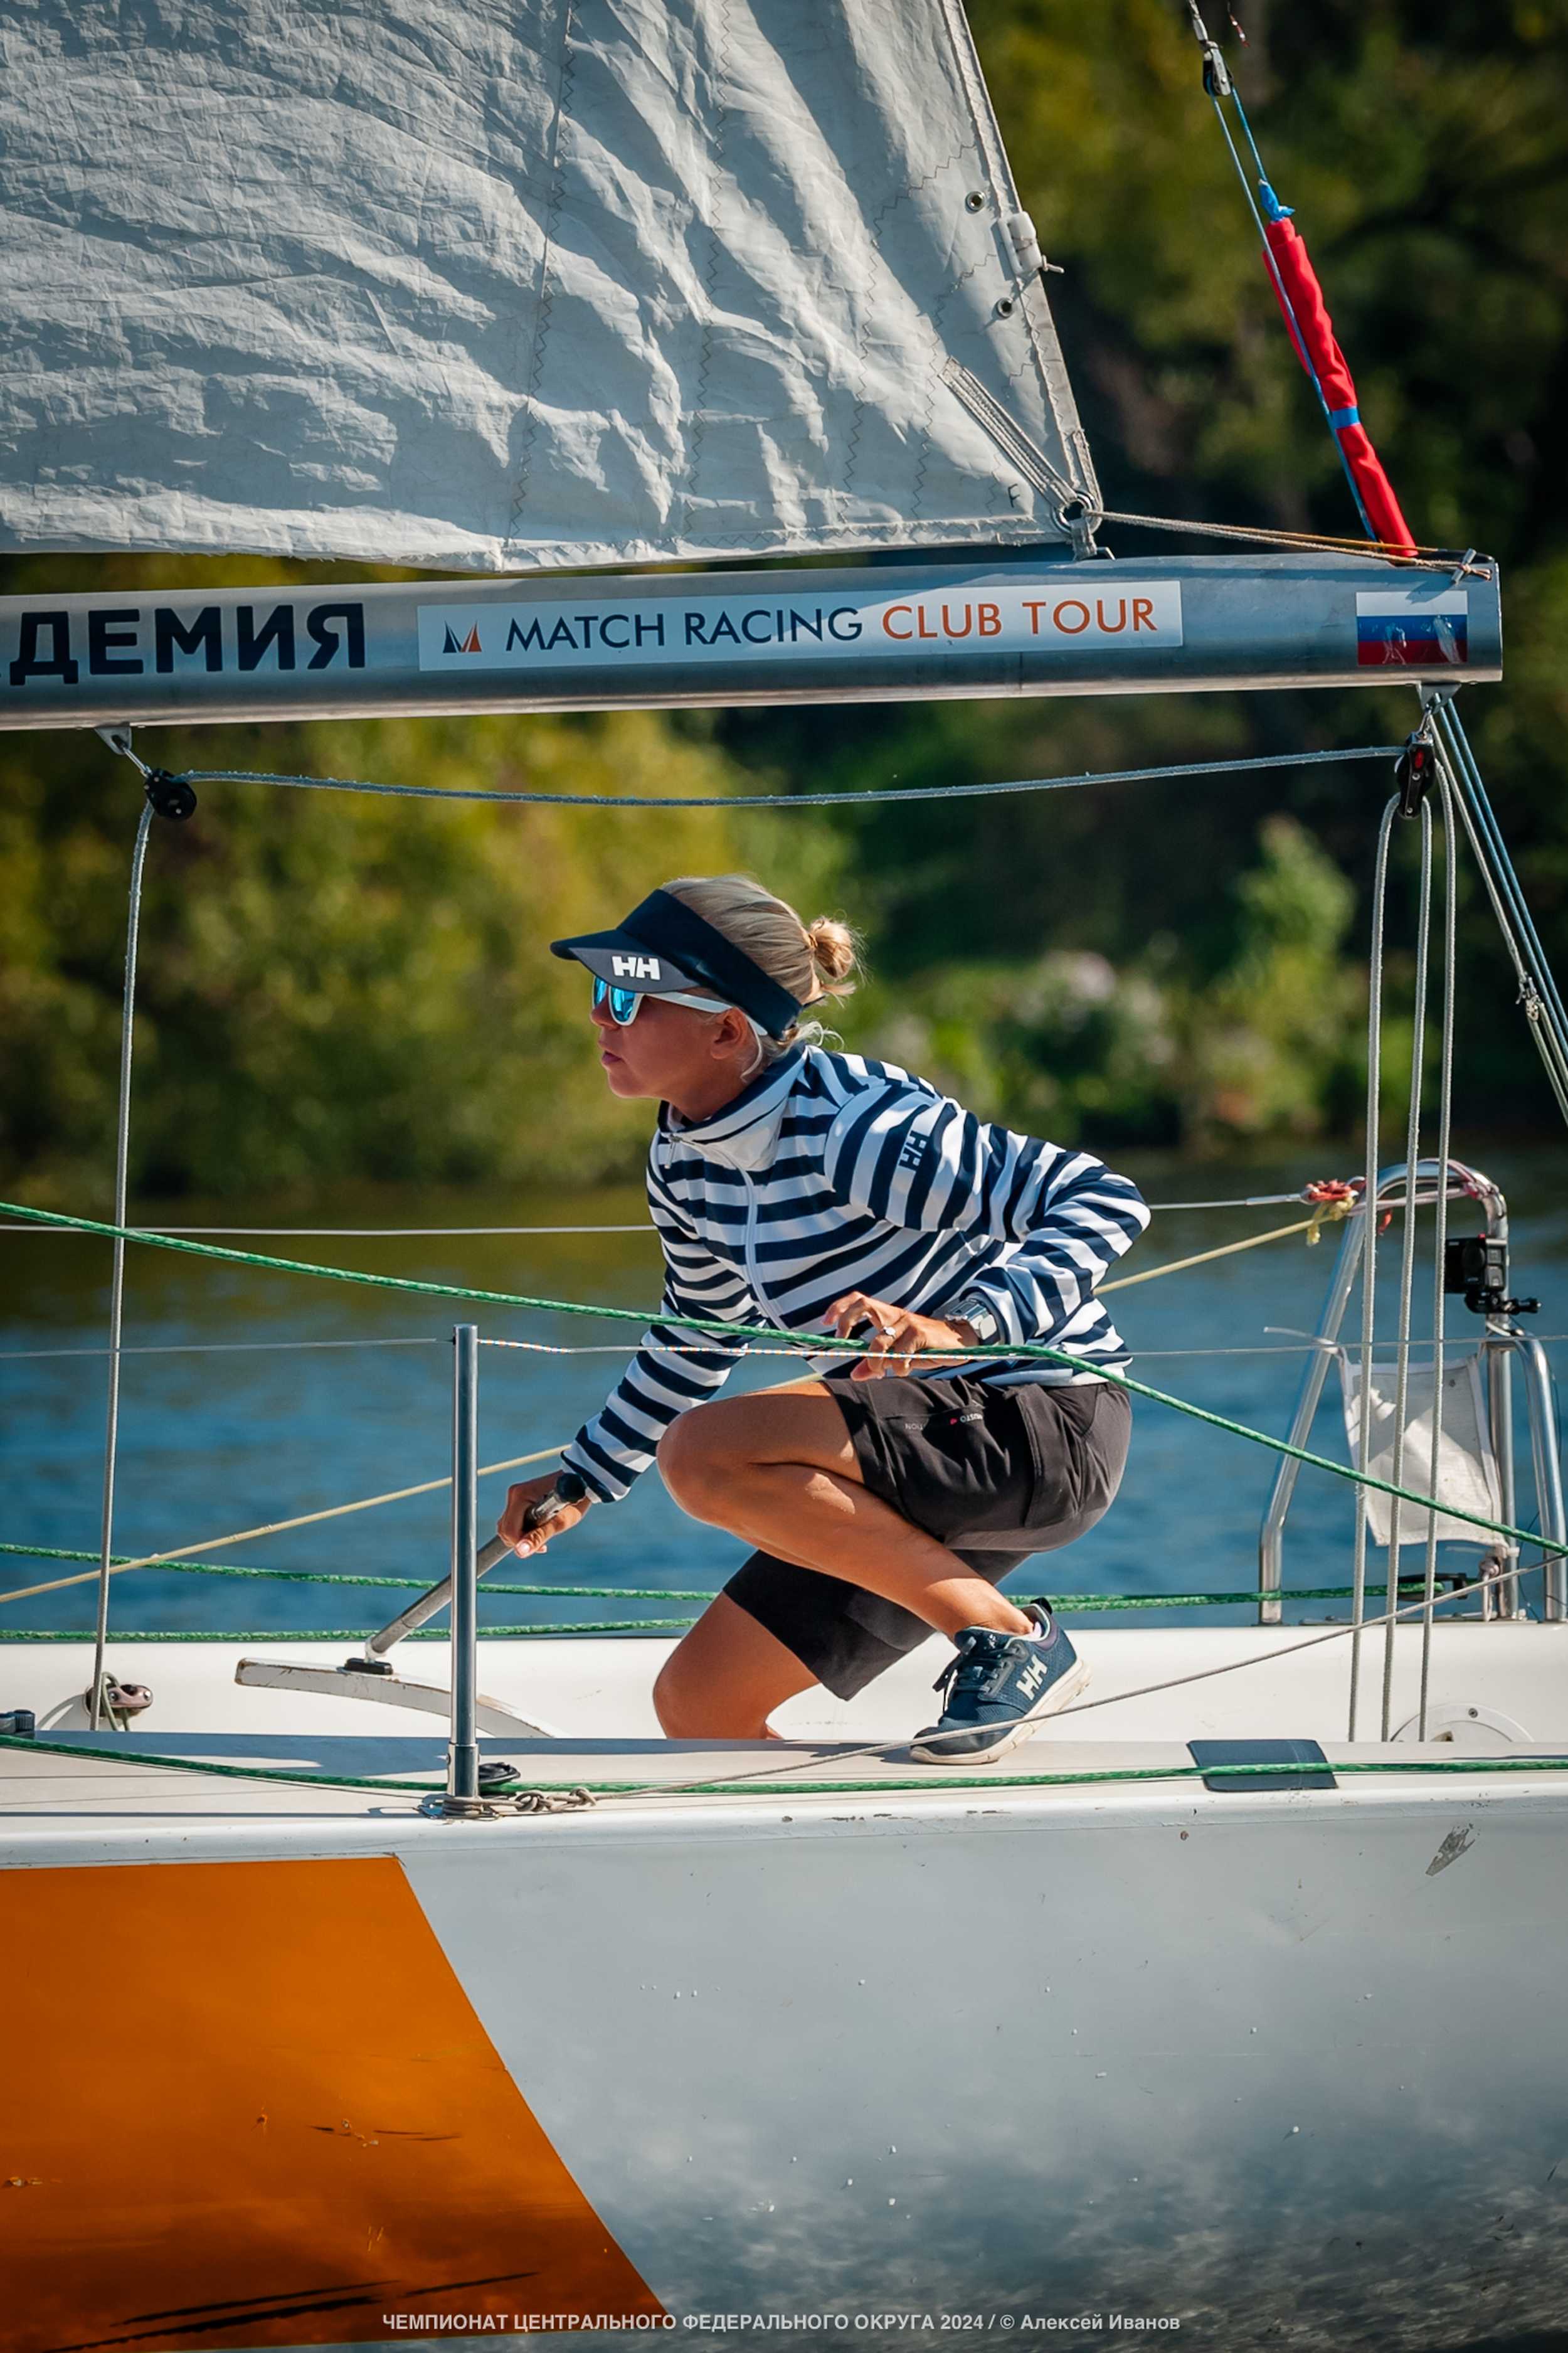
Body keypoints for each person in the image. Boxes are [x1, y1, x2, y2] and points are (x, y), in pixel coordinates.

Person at [498, 874, 1149, 1763]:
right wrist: (584, 1478)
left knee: (703, 1454)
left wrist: (963, 1328)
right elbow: (700, 1332)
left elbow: (1100, 1196)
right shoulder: (685, 1160)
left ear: (727, 1031)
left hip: (1043, 1424)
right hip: (932, 1446)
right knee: (701, 1704)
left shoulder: (856, 1131)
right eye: (598, 995)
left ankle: (1009, 1640)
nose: (599, 1018)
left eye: (626, 999)